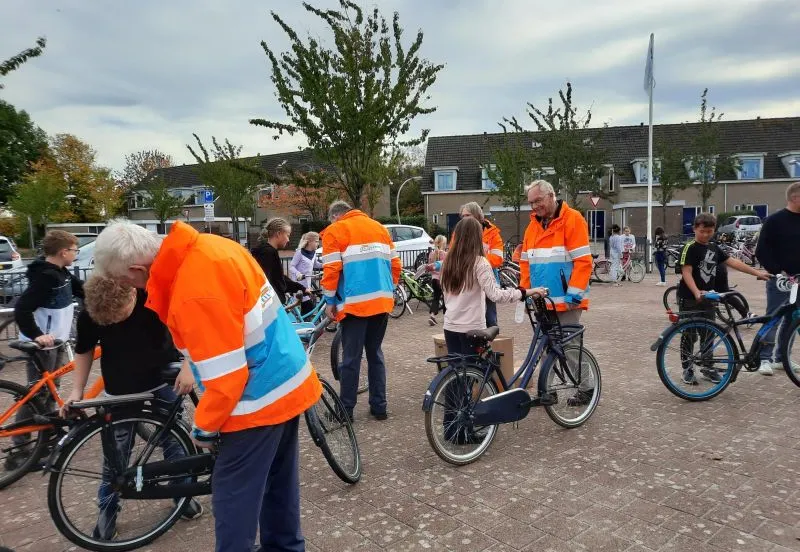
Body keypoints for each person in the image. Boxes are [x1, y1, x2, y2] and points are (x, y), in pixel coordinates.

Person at [92, 220, 322, 552]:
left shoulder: (192, 290)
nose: (128, 287)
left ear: (136, 268)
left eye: (123, 280)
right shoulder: (211, 248)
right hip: (285, 382)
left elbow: (227, 379)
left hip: (255, 403)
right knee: (278, 487)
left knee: (233, 502)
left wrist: (204, 429)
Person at [61, 276, 203, 540]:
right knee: (115, 455)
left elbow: (186, 326)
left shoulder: (151, 295)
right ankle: (108, 509)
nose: (115, 321)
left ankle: (181, 494)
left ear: (132, 296)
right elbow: (84, 349)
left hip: (163, 378)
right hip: (121, 386)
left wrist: (187, 365)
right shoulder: (93, 310)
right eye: (109, 321)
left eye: (120, 315)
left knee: (176, 442)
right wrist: (76, 390)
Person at [7, 230, 84, 470]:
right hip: (43, 345)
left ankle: (45, 438)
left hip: (58, 342)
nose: (76, 254)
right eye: (75, 250)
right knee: (36, 396)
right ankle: (20, 451)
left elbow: (82, 291)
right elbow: (22, 309)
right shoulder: (45, 277)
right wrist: (38, 336)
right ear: (64, 252)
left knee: (51, 391)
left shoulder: (61, 273)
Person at [321, 200, 401, 421]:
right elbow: (396, 265)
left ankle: (345, 411)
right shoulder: (380, 228)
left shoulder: (335, 231)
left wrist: (329, 301)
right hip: (382, 302)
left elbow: (331, 270)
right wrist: (389, 288)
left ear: (335, 216)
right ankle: (379, 407)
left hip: (355, 305)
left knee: (351, 358)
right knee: (375, 353)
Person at [678, 212, 770, 384]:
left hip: (709, 298)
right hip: (690, 299)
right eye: (702, 231)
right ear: (695, 229)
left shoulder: (713, 248)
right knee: (689, 334)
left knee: (709, 334)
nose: (706, 234)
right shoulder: (689, 248)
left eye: (710, 231)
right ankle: (687, 368)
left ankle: (708, 366)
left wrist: (757, 273)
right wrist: (696, 292)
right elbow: (686, 272)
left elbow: (734, 262)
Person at [520, 180, 593, 325]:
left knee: (567, 347)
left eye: (538, 200)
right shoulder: (532, 228)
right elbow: (525, 265)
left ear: (551, 195)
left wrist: (573, 296)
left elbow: (583, 262)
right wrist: (525, 295)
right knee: (545, 346)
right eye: (531, 203)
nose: (534, 206)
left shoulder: (573, 219)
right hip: (540, 302)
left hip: (567, 302)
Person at [755, 181, 800, 375]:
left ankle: (782, 358)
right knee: (773, 317)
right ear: (795, 198)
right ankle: (764, 358)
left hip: (799, 281)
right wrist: (777, 271)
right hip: (781, 279)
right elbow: (761, 250)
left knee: (793, 320)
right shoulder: (774, 221)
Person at [457, 202, 504, 327]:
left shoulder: (492, 233)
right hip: (467, 282)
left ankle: (491, 344)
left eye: (468, 215)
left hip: (486, 281)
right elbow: (453, 255)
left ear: (477, 216)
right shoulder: (459, 233)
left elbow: (498, 258)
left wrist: (476, 259)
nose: (464, 219)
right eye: (463, 216)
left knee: (490, 320)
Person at [250, 218, 305, 305]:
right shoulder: (269, 253)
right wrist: (300, 288)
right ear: (279, 234)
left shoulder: (264, 251)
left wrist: (301, 288)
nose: (288, 240)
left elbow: (277, 278)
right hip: (272, 304)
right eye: (287, 235)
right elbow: (274, 281)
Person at [288, 231, 322, 316]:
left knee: (307, 307)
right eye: (316, 241)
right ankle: (304, 325)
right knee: (308, 306)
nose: (318, 243)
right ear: (309, 242)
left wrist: (326, 265)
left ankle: (303, 323)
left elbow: (315, 264)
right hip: (299, 284)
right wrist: (298, 274)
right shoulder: (299, 252)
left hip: (307, 285)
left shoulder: (314, 253)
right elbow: (291, 266)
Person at [427, 234, 447, 326]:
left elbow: (430, 266)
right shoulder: (445, 254)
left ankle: (432, 316)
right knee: (446, 298)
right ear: (443, 243)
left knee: (436, 298)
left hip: (434, 279)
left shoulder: (431, 254)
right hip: (443, 279)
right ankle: (446, 317)